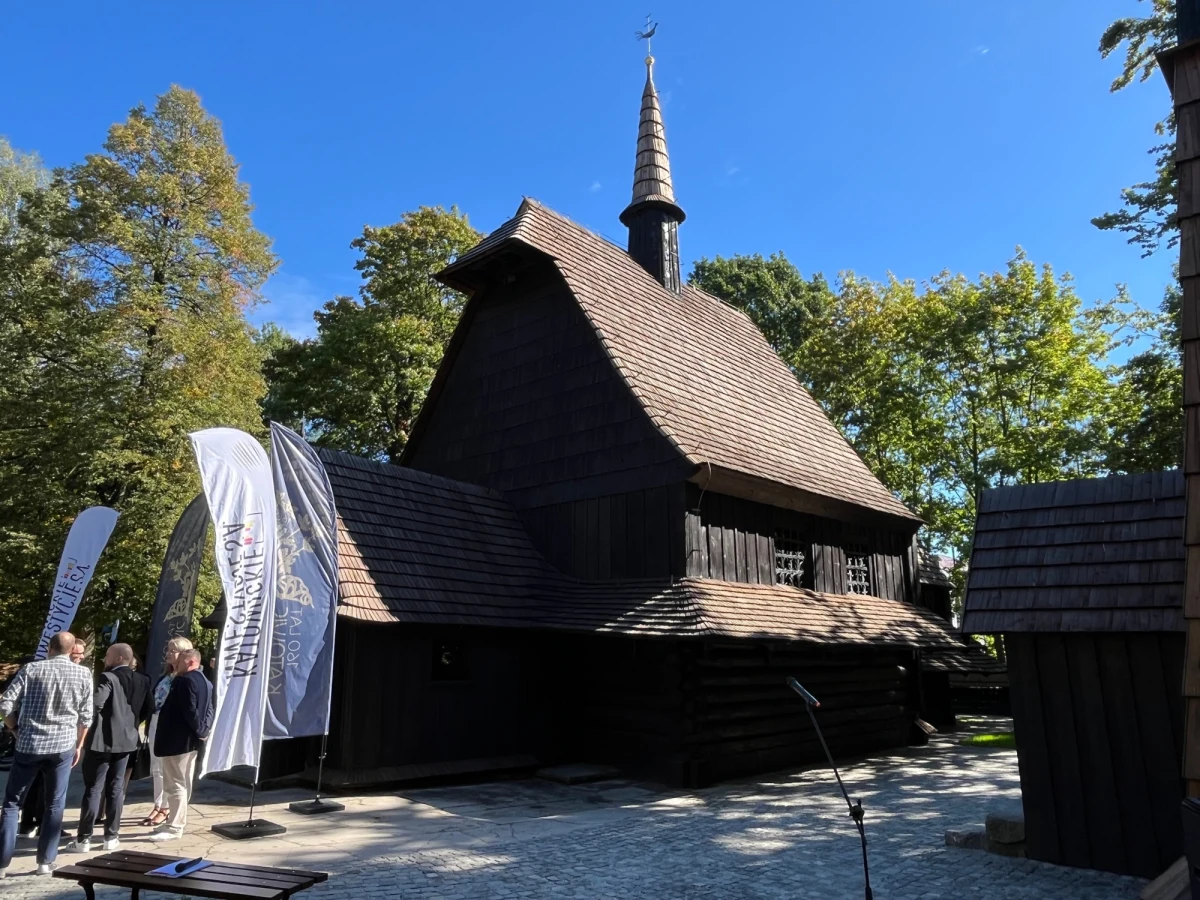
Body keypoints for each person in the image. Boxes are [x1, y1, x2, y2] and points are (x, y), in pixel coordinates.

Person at [0, 632, 93, 877]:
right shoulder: (83, 674)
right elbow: (86, 716)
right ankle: (44, 861)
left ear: (50, 649)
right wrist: (79, 745)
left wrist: (14, 728)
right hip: (62, 746)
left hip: (29, 744)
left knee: (11, 804)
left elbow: (5, 704)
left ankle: (1, 863)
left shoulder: (31, 670)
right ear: (72, 650)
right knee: (55, 802)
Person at [66, 643, 152, 854]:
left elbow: (95, 705)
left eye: (107, 655)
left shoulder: (107, 678)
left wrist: (82, 733)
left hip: (101, 741)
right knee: (116, 789)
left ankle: (84, 838)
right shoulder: (143, 680)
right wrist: (131, 725)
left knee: (94, 788)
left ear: (119, 657)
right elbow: (150, 707)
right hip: (127, 741)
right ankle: (111, 836)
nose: (105, 659)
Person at [150, 648, 210, 842]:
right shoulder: (206, 681)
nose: (177, 666)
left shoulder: (184, 681)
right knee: (180, 782)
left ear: (191, 662)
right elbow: (210, 710)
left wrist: (200, 730)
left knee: (175, 784)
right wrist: (203, 731)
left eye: (182, 661)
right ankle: (173, 823)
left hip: (177, 741)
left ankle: (175, 826)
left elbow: (190, 710)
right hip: (190, 741)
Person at [143, 637, 192, 828]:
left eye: (173, 650)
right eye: (168, 649)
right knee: (157, 768)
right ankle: (159, 804)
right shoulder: (166, 676)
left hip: (173, 728)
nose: (169, 653)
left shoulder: (186, 677)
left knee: (171, 771)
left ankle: (167, 808)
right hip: (157, 722)